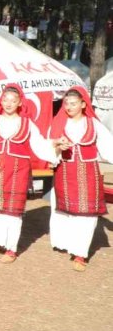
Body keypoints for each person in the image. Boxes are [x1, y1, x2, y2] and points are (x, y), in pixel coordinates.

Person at [0, 84, 62, 264]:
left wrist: (55, 146)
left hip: (18, 169)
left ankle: (11, 248)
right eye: (5, 100)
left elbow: (39, 144)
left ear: (20, 102)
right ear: (1, 101)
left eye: (13, 100)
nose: (8, 103)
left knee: (13, 208)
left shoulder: (27, 123)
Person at [46, 87, 113, 271]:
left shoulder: (93, 124)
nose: (69, 107)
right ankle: (65, 243)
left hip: (88, 172)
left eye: (74, 103)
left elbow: (108, 146)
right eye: (66, 103)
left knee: (86, 212)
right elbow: (49, 150)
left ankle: (80, 253)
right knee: (64, 209)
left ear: (83, 104)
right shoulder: (58, 124)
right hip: (64, 171)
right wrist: (57, 146)